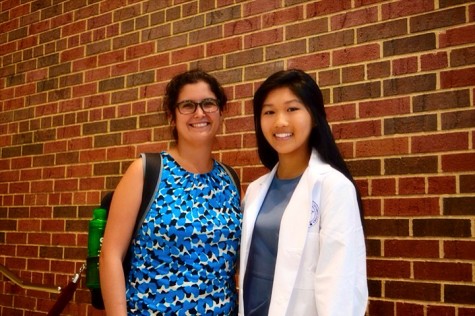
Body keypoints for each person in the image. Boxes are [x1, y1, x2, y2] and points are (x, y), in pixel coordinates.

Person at [99, 69, 242, 315]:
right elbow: (110, 255)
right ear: (172, 116)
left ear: (221, 111)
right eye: (188, 105)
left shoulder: (229, 179)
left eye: (208, 103)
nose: (200, 113)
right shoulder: (146, 171)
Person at [238, 69, 368, 316]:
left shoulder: (333, 187)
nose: (280, 122)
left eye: (292, 109)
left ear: (315, 117)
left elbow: (340, 286)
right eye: (269, 112)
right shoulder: (255, 191)